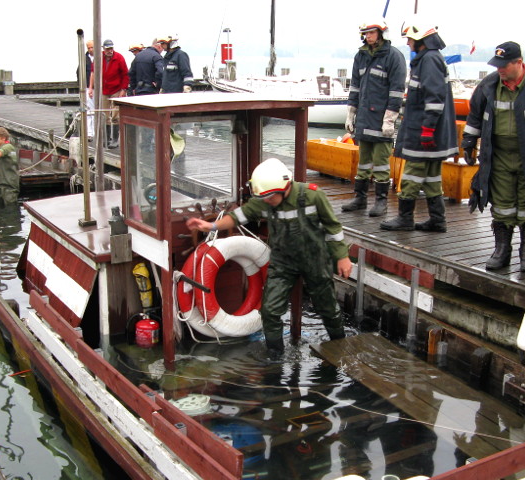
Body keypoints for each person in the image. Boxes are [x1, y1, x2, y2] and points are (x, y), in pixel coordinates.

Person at [186, 158, 353, 357]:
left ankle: (340, 348)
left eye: (270, 196)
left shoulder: (313, 196)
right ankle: (275, 357)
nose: (266, 200)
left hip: (315, 261)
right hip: (283, 263)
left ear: (286, 187)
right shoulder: (265, 201)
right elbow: (239, 216)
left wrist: (342, 257)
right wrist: (211, 226)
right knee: (270, 312)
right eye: (263, 197)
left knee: (328, 309)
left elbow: (333, 228)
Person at [462, 41, 525, 271]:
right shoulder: (488, 85)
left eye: (504, 65)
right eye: (497, 65)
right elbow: (474, 116)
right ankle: (502, 250)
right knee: (501, 205)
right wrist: (469, 143)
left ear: (519, 63)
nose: (499, 69)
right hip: (498, 156)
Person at [380, 23, 457, 232]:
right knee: (432, 175)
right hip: (431, 131)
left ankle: (405, 218)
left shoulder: (429, 60)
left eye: (410, 38)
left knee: (413, 172)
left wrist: (427, 129)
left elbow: (434, 97)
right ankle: (437, 219)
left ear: (421, 38)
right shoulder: (430, 58)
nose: (407, 42)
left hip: (424, 131)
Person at [343, 18, 406, 217]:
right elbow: (355, 87)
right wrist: (350, 114)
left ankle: (381, 202)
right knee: (363, 162)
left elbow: (397, 91)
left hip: (381, 121)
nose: (368, 36)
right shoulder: (360, 56)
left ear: (381, 33)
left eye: (371, 32)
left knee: (381, 164)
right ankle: (360, 198)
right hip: (363, 119)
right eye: (366, 33)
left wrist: (389, 120)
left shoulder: (393, 57)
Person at [88, 39, 129, 148]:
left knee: (115, 114)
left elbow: (125, 74)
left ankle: (115, 140)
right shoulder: (98, 57)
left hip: (116, 89)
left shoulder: (119, 58)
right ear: (103, 49)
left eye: (111, 48)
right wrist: (90, 87)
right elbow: (93, 72)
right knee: (104, 115)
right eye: (107, 48)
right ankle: (105, 139)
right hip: (104, 89)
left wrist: (123, 90)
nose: (110, 50)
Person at [77, 40, 95, 138]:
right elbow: (79, 73)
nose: (91, 49)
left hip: (100, 88)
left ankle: (97, 131)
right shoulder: (84, 59)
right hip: (88, 87)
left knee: (97, 110)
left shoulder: (101, 57)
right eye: (89, 48)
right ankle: (90, 132)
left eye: (92, 47)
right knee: (89, 109)